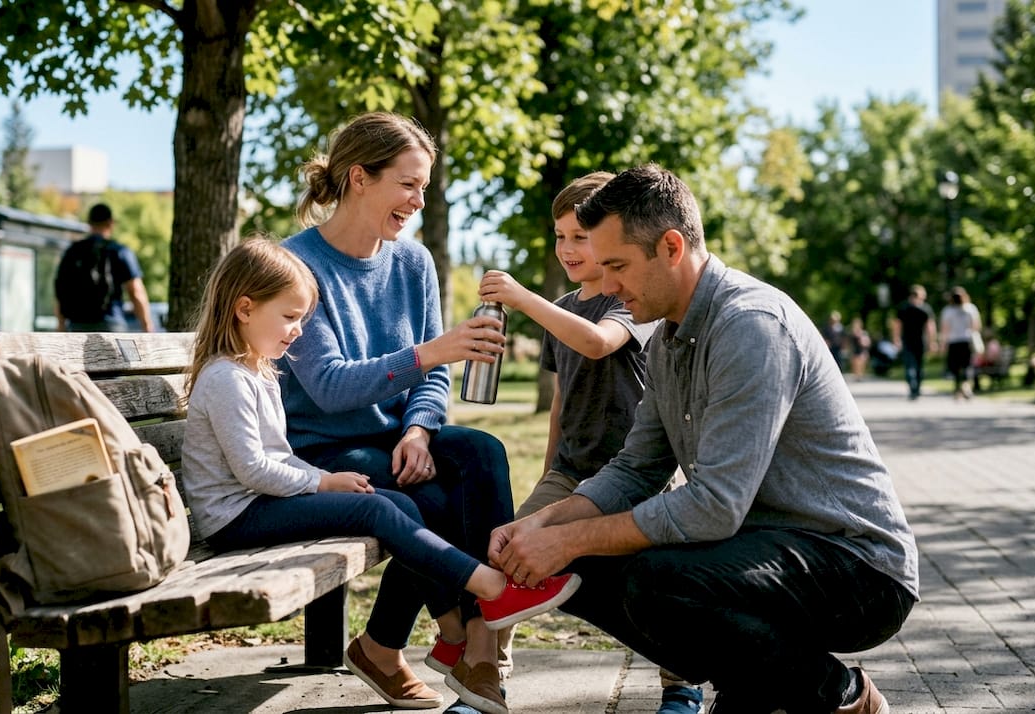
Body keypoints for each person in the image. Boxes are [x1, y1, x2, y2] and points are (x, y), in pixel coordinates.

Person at [488, 164, 919, 714]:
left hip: (856, 566)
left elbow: (714, 507)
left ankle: (840, 693)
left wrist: (571, 539)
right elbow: (635, 468)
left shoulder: (751, 325)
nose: (608, 285)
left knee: (656, 581)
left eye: (617, 265)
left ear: (671, 246)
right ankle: (756, 680)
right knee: (583, 568)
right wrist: (543, 524)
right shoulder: (668, 337)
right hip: (760, 552)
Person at [181, 238, 579, 714]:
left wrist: (327, 476)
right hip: (235, 516)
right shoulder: (227, 377)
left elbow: (275, 457)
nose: (297, 332)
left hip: (261, 500)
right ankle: (489, 591)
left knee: (404, 504)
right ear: (245, 309)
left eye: (302, 319)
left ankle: (457, 630)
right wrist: (323, 481)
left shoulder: (259, 371)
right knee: (377, 505)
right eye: (290, 318)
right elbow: (253, 468)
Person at [277, 112, 524, 713]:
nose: (417, 200)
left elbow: (433, 377)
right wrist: (430, 351)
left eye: (424, 187)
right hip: (322, 453)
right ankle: (430, 645)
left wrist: (418, 428)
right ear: (359, 177)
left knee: (481, 453)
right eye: (407, 184)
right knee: (431, 501)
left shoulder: (412, 264)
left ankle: (478, 644)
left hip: (394, 439)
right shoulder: (296, 266)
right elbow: (331, 387)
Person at [477, 173, 703, 714]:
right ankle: (484, 675)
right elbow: (560, 399)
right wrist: (550, 469)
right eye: (559, 237)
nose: (568, 249)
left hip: (639, 474)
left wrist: (522, 298)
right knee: (500, 559)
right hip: (571, 470)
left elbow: (598, 344)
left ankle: (683, 683)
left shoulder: (635, 302)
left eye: (580, 237)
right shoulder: (560, 305)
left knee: (663, 580)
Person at [54, 203, 156, 332]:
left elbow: (61, 290)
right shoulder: (120, 251)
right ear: (111, 223)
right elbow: (136, 291)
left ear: (89, 223)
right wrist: (147, 325)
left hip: (77, 324)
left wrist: (61, 324)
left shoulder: (72, 252)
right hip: (111, 323)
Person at [891, 284, 938, 400]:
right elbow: (930, 327)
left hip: (909, 340)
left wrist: (896, 339)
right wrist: (932, 342)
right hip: (917, 340)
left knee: (911, 365)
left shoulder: (903, 307)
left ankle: (913, 388)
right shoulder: (925, 308)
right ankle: (916, 388)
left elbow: (897, 325)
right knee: (917, 365)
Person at [939, 286, 982, 400]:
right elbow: (976, 326)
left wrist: (943, 344)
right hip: (966, 340)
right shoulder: (971, 309)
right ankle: (966, 386)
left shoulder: (948, 311)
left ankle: (958, 389)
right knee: (967, 365)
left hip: (953, 342)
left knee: (955, 367)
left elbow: (945, 329)